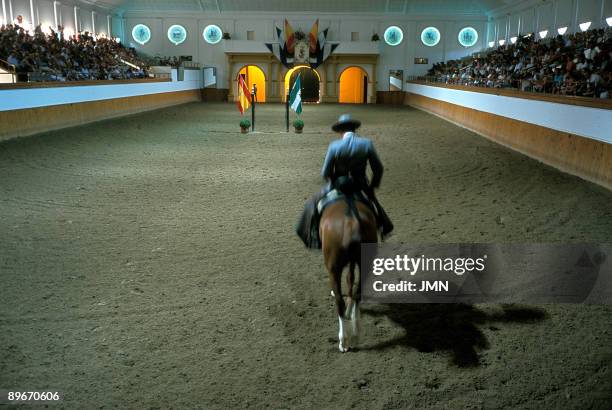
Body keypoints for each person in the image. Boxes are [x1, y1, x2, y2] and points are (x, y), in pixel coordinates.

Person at [296, 114, 393, 248]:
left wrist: (331, 181)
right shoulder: (367, 143)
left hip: (339, 184)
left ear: (340, 131)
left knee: (313, 204)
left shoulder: (334, 145)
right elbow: (378, 169)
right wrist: (372, 186)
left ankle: (314, 237)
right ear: (354, 129)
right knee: (375, 206)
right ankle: (384, 227)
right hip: (360, 184)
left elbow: (325, 171)